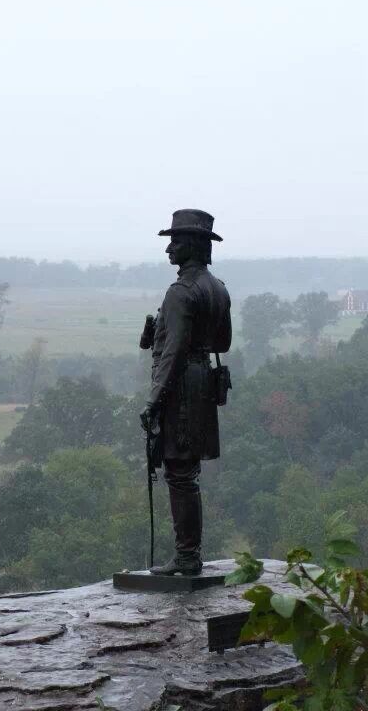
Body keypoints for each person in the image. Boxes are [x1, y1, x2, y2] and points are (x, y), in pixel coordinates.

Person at [140, 209, 232, 575]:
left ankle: (187, 556)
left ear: (192, 245)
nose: (169, 250)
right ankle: (188, 553)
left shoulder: (180, 292)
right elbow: (221, 342)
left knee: (179, 473)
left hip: (180, 387)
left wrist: (153, 400)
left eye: (175, 242)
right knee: (186, 473)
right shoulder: (218, 288)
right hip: (202, 381)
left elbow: (174, 352)